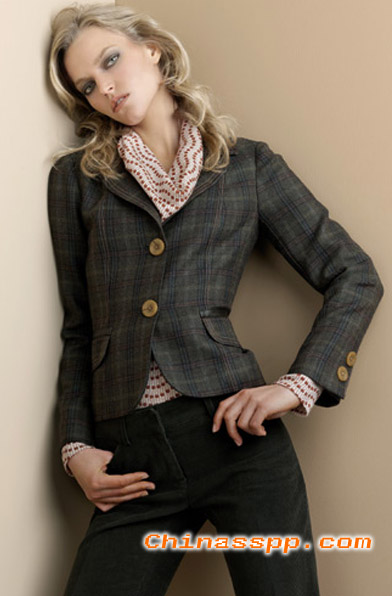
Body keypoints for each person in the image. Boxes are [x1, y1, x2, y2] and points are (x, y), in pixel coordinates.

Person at [47, 4, 383, 595]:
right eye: (88, 86)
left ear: (152, 49)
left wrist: (298, 385)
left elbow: (354, 274)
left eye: (111, 61)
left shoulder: (247, 166)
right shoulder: (78, 180)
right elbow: (79, 327)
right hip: (132, 458)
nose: (106, 88)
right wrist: (76, 448)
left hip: (237, 442)